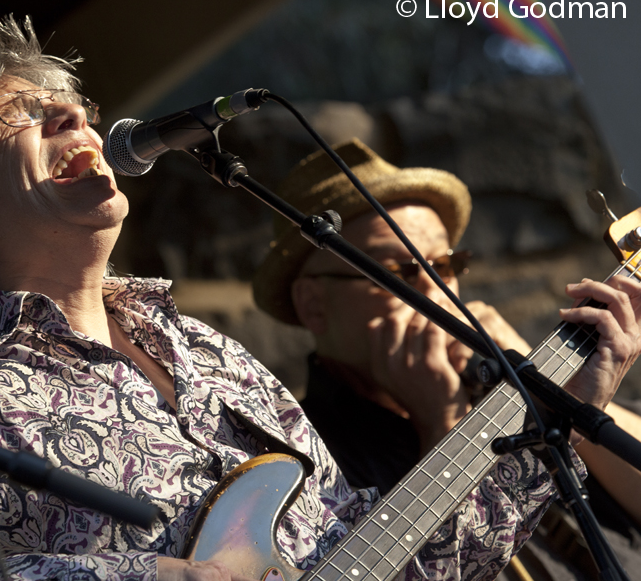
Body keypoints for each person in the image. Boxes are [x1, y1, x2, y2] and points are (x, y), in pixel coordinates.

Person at [0, 16, 640, 581]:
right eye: (31, 115)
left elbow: (384, 557)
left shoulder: (210, 352)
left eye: (79, 107)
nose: (78, 114)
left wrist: (553, 426)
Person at [252, 138, 641, 579]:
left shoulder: (491, 375)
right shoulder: (301, 460)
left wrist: (544, 382)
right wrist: (442, 425)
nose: (436, 291)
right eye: (398, 272)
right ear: (314, 305)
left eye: (446, 265)